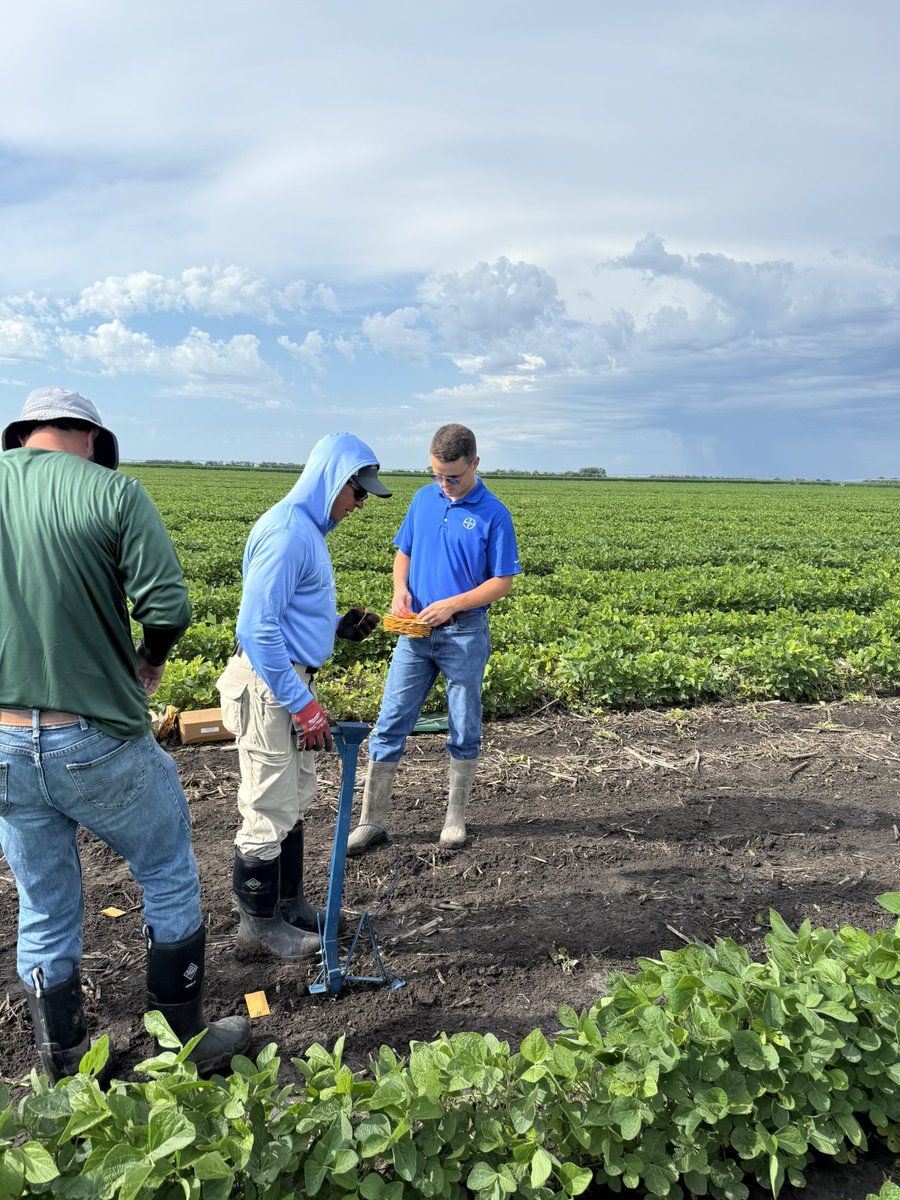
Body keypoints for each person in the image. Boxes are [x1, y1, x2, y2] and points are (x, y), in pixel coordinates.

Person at [0, 387, 250, 1084]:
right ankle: (180, 1044)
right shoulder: (113, 491)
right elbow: (166, 605)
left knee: (42, 903)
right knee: (166, 870)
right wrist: (150, 659)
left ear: (20, 436)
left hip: (2, 743)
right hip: (93, 736)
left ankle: (66, 1072)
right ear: (90, 439)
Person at [216, 432, 391, 959]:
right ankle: (258, 926)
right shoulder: (289, 533)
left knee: (292, 800)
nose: (359, 504)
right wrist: (302, 703)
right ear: (333, 482)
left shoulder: (307, 530)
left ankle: (288, 906)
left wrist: (335, 626)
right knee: (267, 806)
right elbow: (257, 629)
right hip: (271, 687)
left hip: (287, 683)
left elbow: (287, 613)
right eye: (357, 492)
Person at [347, 423, 520, 855]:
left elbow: (501, 582)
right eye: (437, 474)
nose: (444, 483)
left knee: (463, 726)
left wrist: (453, 604)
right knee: (390, 723)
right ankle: (371, 822)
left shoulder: (494, 514)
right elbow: (403, 552)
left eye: (453, 477)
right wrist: (399, 590)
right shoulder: (424, 499)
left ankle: (454, 818)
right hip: (415, 634)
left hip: (464, 635)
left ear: (475, 463)